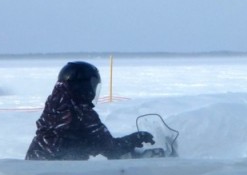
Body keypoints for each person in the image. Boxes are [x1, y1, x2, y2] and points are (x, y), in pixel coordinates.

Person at [25, 61, 154, 160]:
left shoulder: (54, 108)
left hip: (36, 168)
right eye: (92, 85)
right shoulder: (81, 114)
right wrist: (134, 139)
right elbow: (111, 149)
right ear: (83, 86)